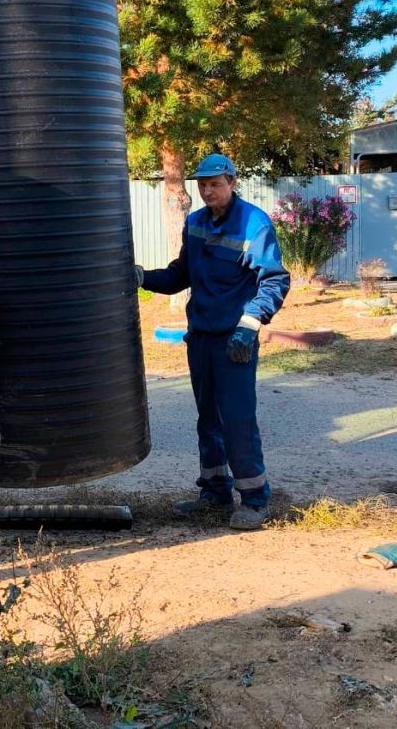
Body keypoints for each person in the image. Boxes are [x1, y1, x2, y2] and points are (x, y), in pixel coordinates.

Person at [136, 154, 290, 530]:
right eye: (202, 184)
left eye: (215, 184)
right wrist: (141, 277)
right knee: (208, 420)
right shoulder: (195, 223)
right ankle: (214, 492)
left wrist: (249, 325)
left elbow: (274, 280)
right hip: (201, 339)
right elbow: (180, 275)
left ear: (232, 182)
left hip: (234, 340)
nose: (208, 190)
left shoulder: (254, 223)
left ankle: (254, 499)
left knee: (236, 420)